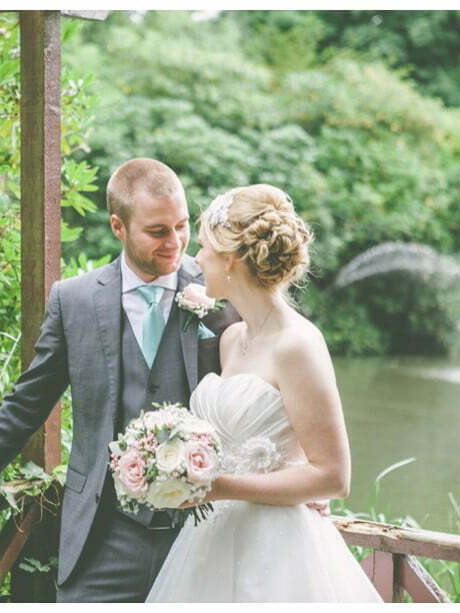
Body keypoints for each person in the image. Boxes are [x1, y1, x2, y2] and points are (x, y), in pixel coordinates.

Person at [0, 158, 243, 602]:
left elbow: (268, 386)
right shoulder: (75, 301)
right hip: (103, 539)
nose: (176, 243)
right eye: (158, 231)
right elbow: (24, 407)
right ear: (117, 226)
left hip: (203, 534)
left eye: (182, 226)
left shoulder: (221, 290)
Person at [146, 184, 383, 602]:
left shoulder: (298, 345)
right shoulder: (230, 338)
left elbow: (333, 476)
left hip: (279, 550)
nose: (195, 259)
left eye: (204, 248)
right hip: (208, 542)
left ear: (232, 260)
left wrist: (220, 488)